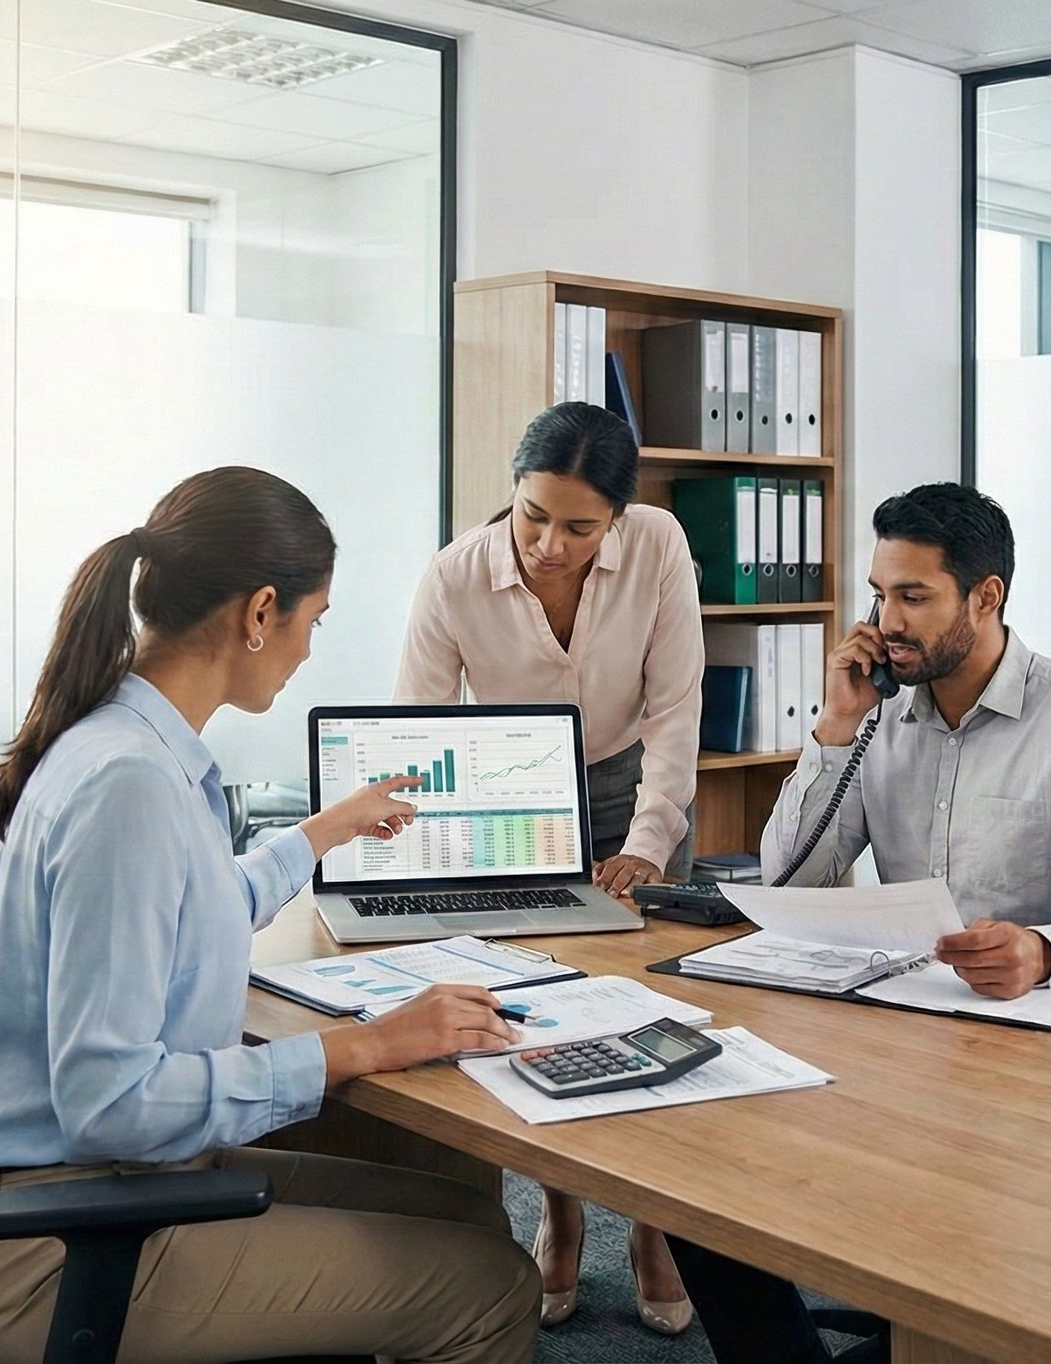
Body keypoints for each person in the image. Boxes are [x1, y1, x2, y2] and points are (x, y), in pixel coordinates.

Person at [0, 467, 539, 1364]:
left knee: (472, 1212)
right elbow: (111, 1102)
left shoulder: (136, 749)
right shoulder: (128, 787)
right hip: (45, 1251)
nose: (308, 650)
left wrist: (324, 832)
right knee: (489, 1287)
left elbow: (203, 907)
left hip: (105, 1184)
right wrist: (360, 1048)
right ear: (259, 613)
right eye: (312, 621)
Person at [667, 482, 1051, 1364]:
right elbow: (792, 873)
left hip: (1037, 1063)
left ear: (986, 598)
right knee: (695, 1171)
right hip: (906, 1033)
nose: (886, 621)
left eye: (913, 597)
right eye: (879, 594)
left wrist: (1045, 948)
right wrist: (832, 728)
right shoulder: (881, 716)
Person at [396, 401, 705, 1335]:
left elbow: (676, 705)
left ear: (618, 515)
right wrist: (430, 861)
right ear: (513, 493)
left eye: (580, 526)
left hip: (633, 780)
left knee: (654, 1002)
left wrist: (649, 840)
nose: (550, 545)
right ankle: (560, 1211)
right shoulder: (454, 577)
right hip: (510, 792)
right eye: (534, 515)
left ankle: (656, 1221)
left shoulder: (658, 544)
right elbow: (419, 728)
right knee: (535, 1003)